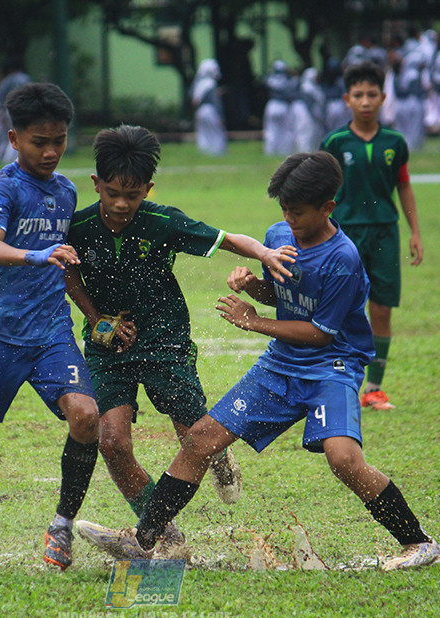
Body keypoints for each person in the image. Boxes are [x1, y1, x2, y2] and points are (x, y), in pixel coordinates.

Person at [76, 151, 440, 571]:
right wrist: (253, 285)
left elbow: (321, 333)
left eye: (299, 212)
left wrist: (255, 322)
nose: (289, 219)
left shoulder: (343, 259)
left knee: (343, 460)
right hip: (280, 365)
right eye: (284, 209)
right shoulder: (279, 233)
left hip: (331, 367)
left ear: (328, 207)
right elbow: (279, 292)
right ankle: (147, 539)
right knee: (200, 441)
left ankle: (419, 542)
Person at [64, 125, 297, 554]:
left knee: (192, 435)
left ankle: (220, 458)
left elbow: (226, 240)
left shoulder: (163, 221)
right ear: (95, 183)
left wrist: (262, 254)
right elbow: (68, 273)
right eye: (111, 192)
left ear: (147, 190)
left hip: (164, 338)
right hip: (106, 345)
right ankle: (162, 532)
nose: (120, 204)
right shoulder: (76, 227)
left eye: (131, 196)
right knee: (112, 442)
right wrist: (98, 322)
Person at [0, 82, 100, 572]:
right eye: (39, 142)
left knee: (86, 416)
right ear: (15, 139)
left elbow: (67, 263)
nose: (51, 151)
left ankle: (62, 527)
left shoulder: (68, 191)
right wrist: (36, 254)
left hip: (52, 329)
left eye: (59, 140)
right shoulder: (3, 187)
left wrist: (94, 316)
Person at [319, 61, 423, 412]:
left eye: (372, 95)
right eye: (358, 95)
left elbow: (404, 187)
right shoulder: (334, 142)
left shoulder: (395, 142)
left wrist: (415, 232)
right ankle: (335, 382)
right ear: (347, 99)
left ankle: (374, 388)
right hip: (342, 236)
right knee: (340, 309)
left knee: (381, 309)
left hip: (384, 233)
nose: (365, 101)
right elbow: (318, 189)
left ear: (383, 98)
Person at [190, 59, 228, 156]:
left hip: (200, 111)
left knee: (203, 133)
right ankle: (217, 151)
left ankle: (204, 150)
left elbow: (195, 100)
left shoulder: (198, 84)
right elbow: (216, 102)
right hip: (210, 110)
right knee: (216, 131)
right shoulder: (211, 83)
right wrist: (221, 116)